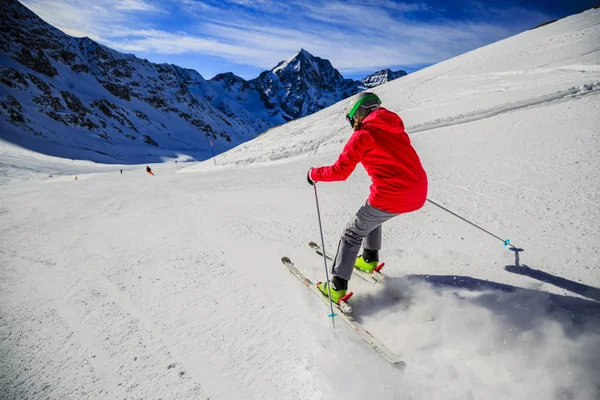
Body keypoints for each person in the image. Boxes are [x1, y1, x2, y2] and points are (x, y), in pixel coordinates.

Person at [307, 92, 428, 304]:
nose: (352, 123)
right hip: (418, 192)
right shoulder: (395, 128)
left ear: (358, 114)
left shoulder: (364, 134)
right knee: (372, 215)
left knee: (352, 233)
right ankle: (369, 259)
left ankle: (336, 287)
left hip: (392, 195)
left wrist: (313, 174)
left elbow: (339, 172)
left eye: (351, 119)